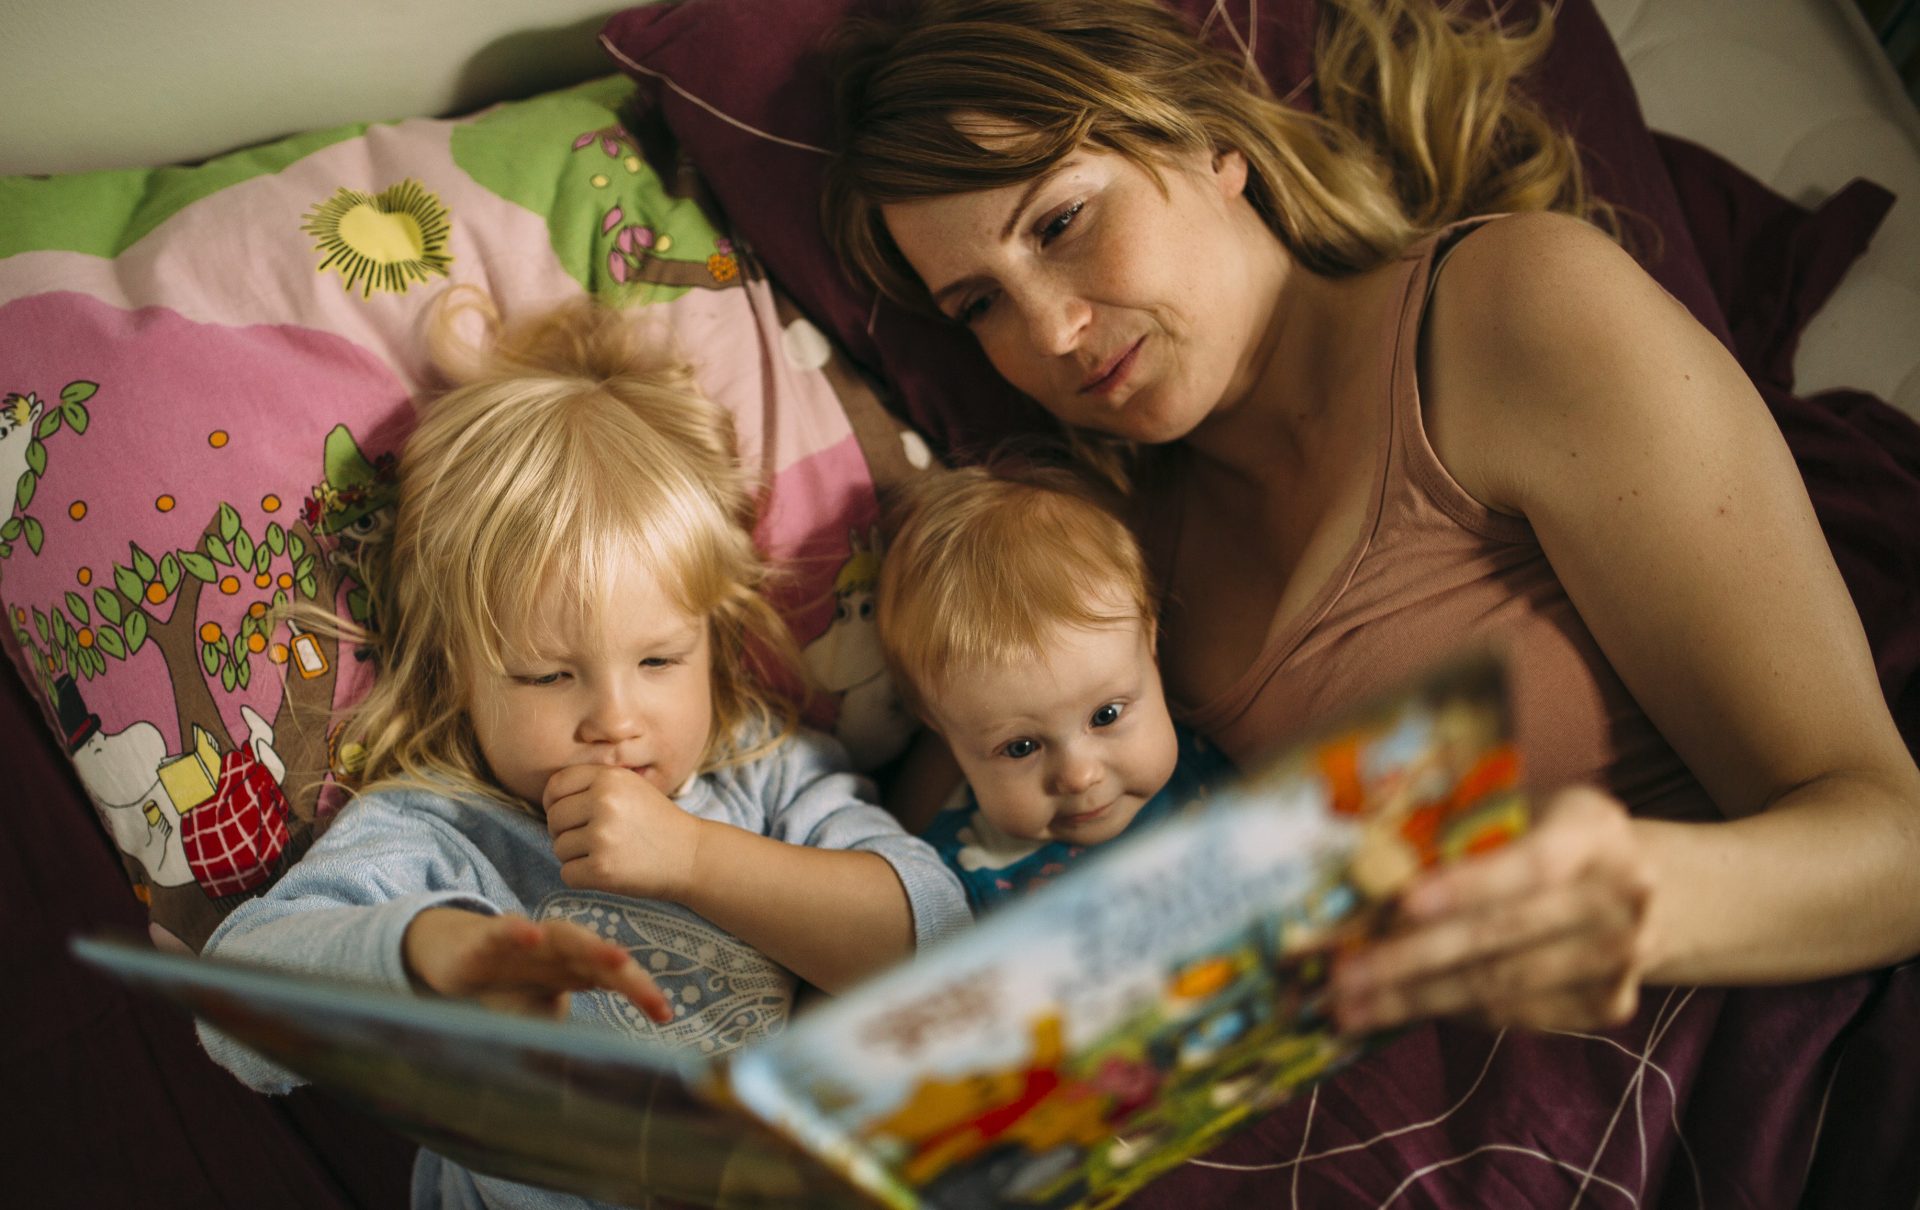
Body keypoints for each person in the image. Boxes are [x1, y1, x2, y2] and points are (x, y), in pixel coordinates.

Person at [822, 0, 1920, 1199]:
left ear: (1207, 143)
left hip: (1733, 1051)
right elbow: (941, 864)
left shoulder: (1510, 313)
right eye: (978, 304)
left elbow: (1891, 841)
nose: (1052, 330)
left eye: (1065, 222)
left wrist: (1640, 897)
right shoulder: (1114, 566)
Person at [197, 290, 971, 1209]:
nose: (615, 718)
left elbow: (937, 942)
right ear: (460, 677)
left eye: (657, 659)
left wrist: (692, 857)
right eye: (545, 676)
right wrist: (427, 956)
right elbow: (233, 1012)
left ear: (712, 643)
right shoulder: (443, 832)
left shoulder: (762, 775)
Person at [875, 459, 1232, 911]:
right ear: (944, 733)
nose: (1078, 776)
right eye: (1021, 747)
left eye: (1106, 716)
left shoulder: (1235, 758)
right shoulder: (944, 882)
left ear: (1151, 644)